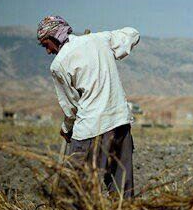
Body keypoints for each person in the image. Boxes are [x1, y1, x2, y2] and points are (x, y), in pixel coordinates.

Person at [37, 16, 140, 198]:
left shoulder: (59, 65)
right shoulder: (98, 40)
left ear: (55, 37)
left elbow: (71, 108)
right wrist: (103, 46)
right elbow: (133, 34)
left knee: (72, 190)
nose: (47, 51)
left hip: (91, 130)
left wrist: (66, 129)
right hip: (120, 123)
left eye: (46, 44)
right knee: (122, 189)